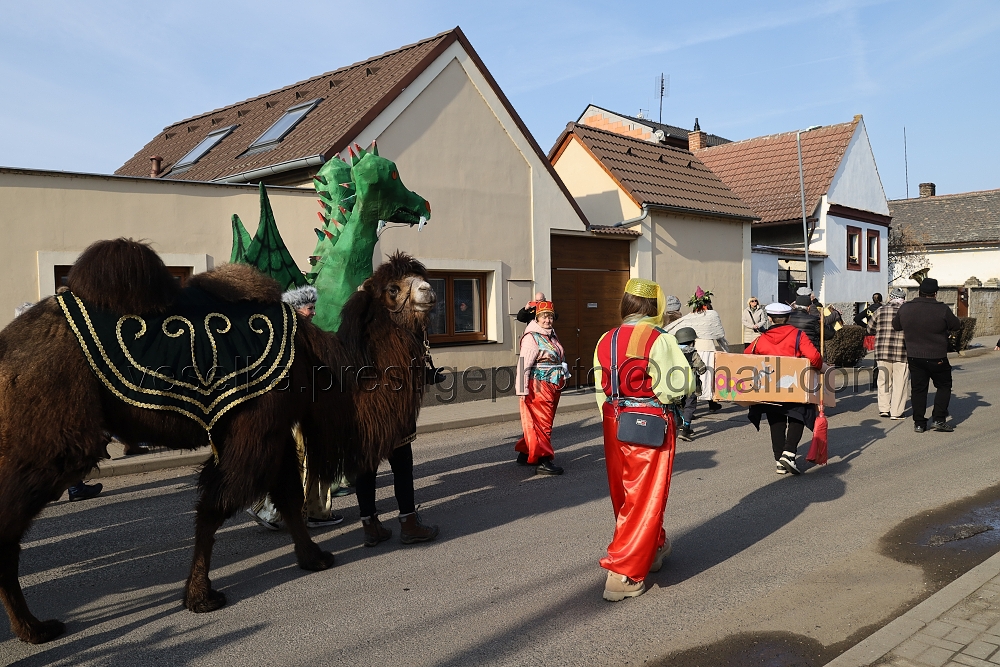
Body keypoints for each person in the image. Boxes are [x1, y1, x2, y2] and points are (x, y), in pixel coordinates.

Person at [593, 278, 694, 602]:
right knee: (644, 498)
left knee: (625, 496)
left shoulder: (606, 338)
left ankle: (654, 546)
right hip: (648, 422)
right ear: (654, 306)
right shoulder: (658, 339)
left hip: (613, 420)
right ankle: (622, 572)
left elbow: (600, 389)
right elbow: (678, 385)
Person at [246, 285, 344, 531]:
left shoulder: (284, 333)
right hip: (300, 409)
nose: (313, 313)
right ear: (296, 310)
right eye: (310, 308)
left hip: (297, 408)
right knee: (305, 459)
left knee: (293, 459)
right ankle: (305, 513)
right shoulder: (293, 336)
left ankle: (277, 511)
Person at [14, 302, 104, 502]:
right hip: (43, 412)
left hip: (29, 414)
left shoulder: (19, 349)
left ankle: (72, 487)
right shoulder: (40, 348)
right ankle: (72, 488)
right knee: (58, 451)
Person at [745, 303, 824, 475]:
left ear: (769, 318)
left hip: (769, 387)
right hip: (793, 385)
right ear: (788, 318)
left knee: (776, 422)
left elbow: (746, 358)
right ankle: (788, 453)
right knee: (799, 415)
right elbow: (814, 357)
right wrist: (818, 366)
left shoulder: (760, 339)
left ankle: (779, 460)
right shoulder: (798, 335)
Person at [892, 278, 962, 433]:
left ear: (919, 291)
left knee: (918, 389)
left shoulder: (906, 308)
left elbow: (896, 326)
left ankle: (919, 423)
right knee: (944, 386)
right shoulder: (942, 309)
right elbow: (956, 325)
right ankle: (938, 419)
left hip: (914, 356)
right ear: (935, 293)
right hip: (937, 356)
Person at [514, 300, 567, 475]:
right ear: (536, 318)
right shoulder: (532, 337)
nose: (547, 320)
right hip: (538, 386)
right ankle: (543, 460)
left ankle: (525, 452)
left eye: (550, 317)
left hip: (552, 385)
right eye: (544, 317)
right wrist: (521, 389)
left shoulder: (550, 335)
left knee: (540, 422)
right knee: (543, 423)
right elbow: (524, 365)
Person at [665, 287, 727, 412]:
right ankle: (709, 402)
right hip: (707, 348)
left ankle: (695, 403)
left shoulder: (690, 316)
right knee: (708, 375)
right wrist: (725, 349)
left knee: (694, 376)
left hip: (694, 348)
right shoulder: (712, 314)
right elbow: (720, 334)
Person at [868, 287, 910, 419]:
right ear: (903, 299)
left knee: (884, 380)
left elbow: (869, 329)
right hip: (902, 351)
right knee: (900, 382)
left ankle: (884, 409)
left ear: (890, 297)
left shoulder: (880, 310)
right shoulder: (908, 312)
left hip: (882, 350)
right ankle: (896, 412)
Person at [674, 327, 706, 442]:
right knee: (690, 406)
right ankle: (685, 428)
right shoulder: (692, 353)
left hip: (675, 384)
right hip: (691, 385)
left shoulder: (673, 352)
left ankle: (679, 425)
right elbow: (701, 368)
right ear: (691, 341)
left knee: (678, 405)